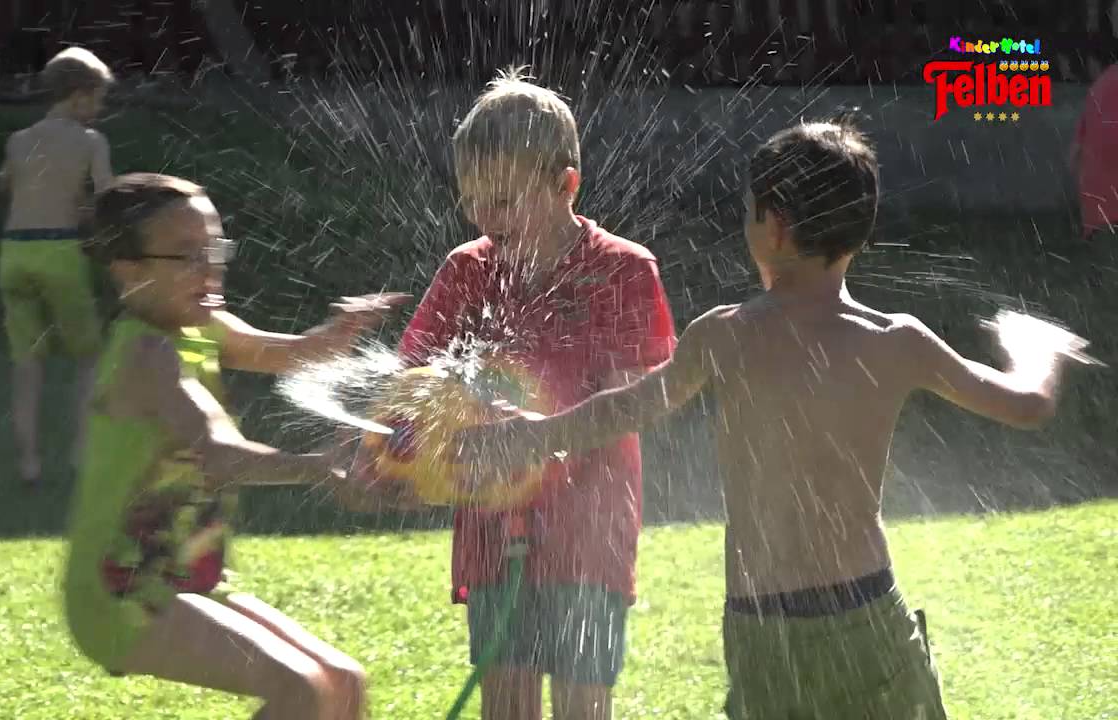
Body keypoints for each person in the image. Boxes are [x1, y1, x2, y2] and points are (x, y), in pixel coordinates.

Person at [458, 116, 1097, 719]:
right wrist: (1038, 348)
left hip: (762, 625)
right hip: (864, 610)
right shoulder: (896, 340)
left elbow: (624, 408)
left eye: (749, 213)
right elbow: (1027, 404)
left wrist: (534, 436)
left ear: (776, 227)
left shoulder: (726, 335)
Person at [352, 68, 677, 720]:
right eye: (471, 200)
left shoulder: (622, 269)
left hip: (589, 529)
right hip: (490, 526)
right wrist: (392, 452)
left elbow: (635, 403)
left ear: (565, 185)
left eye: (501, 200)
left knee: (583, 703)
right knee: (506, 701)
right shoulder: (467, 269)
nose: (482, 217)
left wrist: (540, 437)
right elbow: (414, 382)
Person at [63, 173, 408, 720]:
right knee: (301, 689)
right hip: (123, 589)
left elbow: (292, 356)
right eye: (186, 255)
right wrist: (317, 468)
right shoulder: (147, 355)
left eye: (214, 248)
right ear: (129, 271)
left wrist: (337, 335)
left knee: (344, 684)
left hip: (188, 576)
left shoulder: (202, 327)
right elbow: (218, 453)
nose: (210, 268)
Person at [0, 46, 114, 488]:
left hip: (14, 252)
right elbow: (106, 198)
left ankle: (28, 462)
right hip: (58, 249)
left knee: (27, 363)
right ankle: (81, 453)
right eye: (98, 99)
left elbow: (7, 185)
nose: (99, 109)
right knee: (89, 357)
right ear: (80, 95)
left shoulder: (18, 139)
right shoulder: (90, 141)